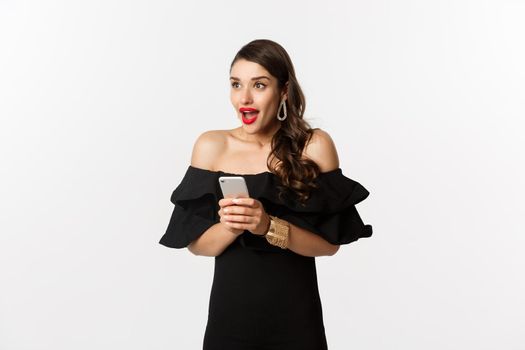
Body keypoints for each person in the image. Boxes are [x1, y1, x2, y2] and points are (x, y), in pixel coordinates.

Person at [159, 39, 373, 350]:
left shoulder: (313, 146)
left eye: (259, 85)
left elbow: (329, 246)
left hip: (297, 322)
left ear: (284, 90)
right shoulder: (211, 146)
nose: (243, 97)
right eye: (236, 84)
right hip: (230, 321)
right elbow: (197, 246)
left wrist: (267, 225)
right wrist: (232, 225)